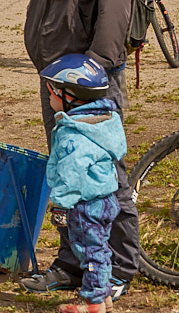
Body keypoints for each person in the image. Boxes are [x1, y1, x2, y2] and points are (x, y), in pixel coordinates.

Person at [22, 0, 139, 301]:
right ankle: (74, 264)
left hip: (91, 80)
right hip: (57, 76)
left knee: (105, 175)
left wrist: (93, 71)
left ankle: (119, 267)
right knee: (69, 175)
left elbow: (115, 11)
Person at [40, 54, 126, 313]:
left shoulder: (73, 134)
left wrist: (61, 204)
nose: (49, 98)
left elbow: (71, 174)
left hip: (84, 204)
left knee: (90, 255)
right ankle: (104, 296)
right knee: (101, 251)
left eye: (52, 93)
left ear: (70, 95)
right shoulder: (103, 121)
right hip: (105, 199)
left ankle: (94, 305)